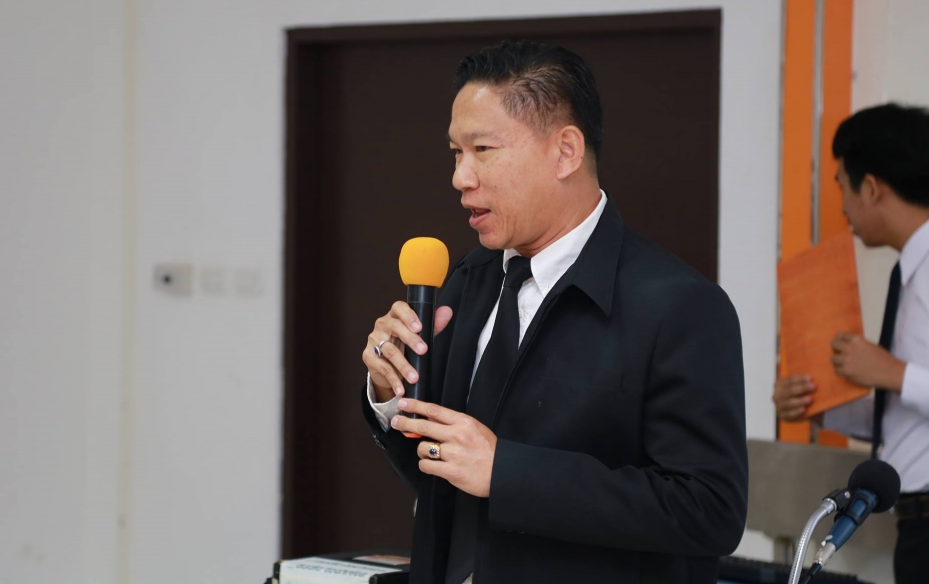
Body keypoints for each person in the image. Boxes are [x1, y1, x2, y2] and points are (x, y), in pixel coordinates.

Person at [360, 41, 748, 584]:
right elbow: (439, 473)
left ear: (565, 151)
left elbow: (709, 510)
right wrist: (389, 393)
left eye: (483, 149)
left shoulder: (679, 306)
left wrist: (507, 473)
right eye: (455, 153)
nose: (461, 177)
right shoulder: (469, 279)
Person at [772, 103, 929, 584]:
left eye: (842, 186)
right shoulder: (910, 272)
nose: (841, 207)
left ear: (872, 188)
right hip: (914, 524)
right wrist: (820, 406)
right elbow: (906, 413)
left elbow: (900, 382)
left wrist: (892, 373)